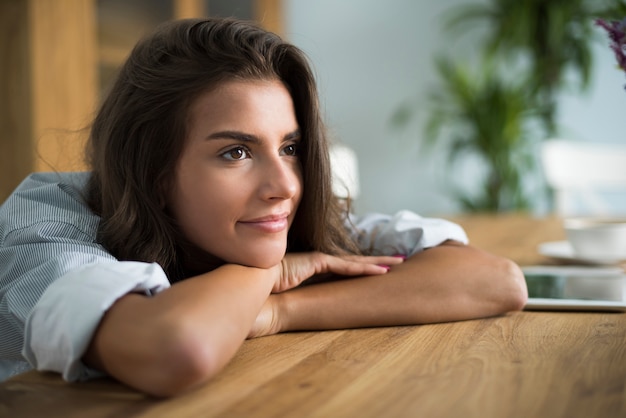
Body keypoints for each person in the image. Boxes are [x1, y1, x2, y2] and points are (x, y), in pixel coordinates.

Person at [0, 18, 527, 397]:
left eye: (291, 148)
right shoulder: (48, 218)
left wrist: (277, 310)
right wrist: (267, 272)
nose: (283, 186)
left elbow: (496, 281)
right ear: (155, 174)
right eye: (236, 152)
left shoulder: (272, 216)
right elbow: (175, 348)